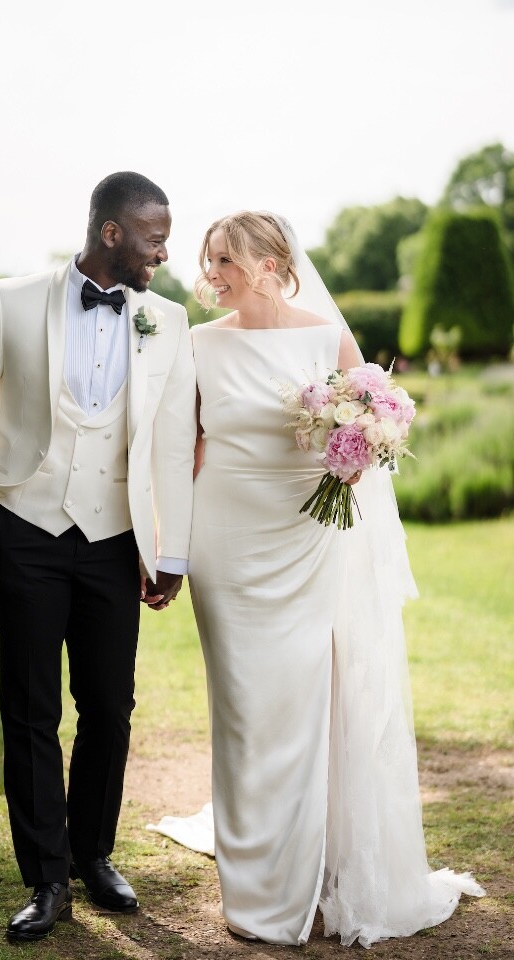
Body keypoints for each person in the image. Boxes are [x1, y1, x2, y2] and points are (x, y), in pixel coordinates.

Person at [151, 211, 484, 947]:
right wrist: (169, 547)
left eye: (226, 260)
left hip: (309, 538)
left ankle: (319, 863)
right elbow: (180, 446)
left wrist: (360, 450)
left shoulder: (327, 337)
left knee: (307, 700)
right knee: (244, 710)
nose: (213, 274)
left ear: (272, 263)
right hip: (227, 543)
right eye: (210, 261)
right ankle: (257, 893)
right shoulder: (198, 343)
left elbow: (371, 422)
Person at [0, 172, 197, 942]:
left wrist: (170, 548)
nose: (164, 251)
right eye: (154, 237)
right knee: (30, 708)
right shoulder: (13, 300)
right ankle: (47, 878)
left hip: (116, 538)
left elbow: (176, 440)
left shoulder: (168, 320)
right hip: (23, 528)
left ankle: (93, 852)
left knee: (110, 708)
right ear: (111, 232)